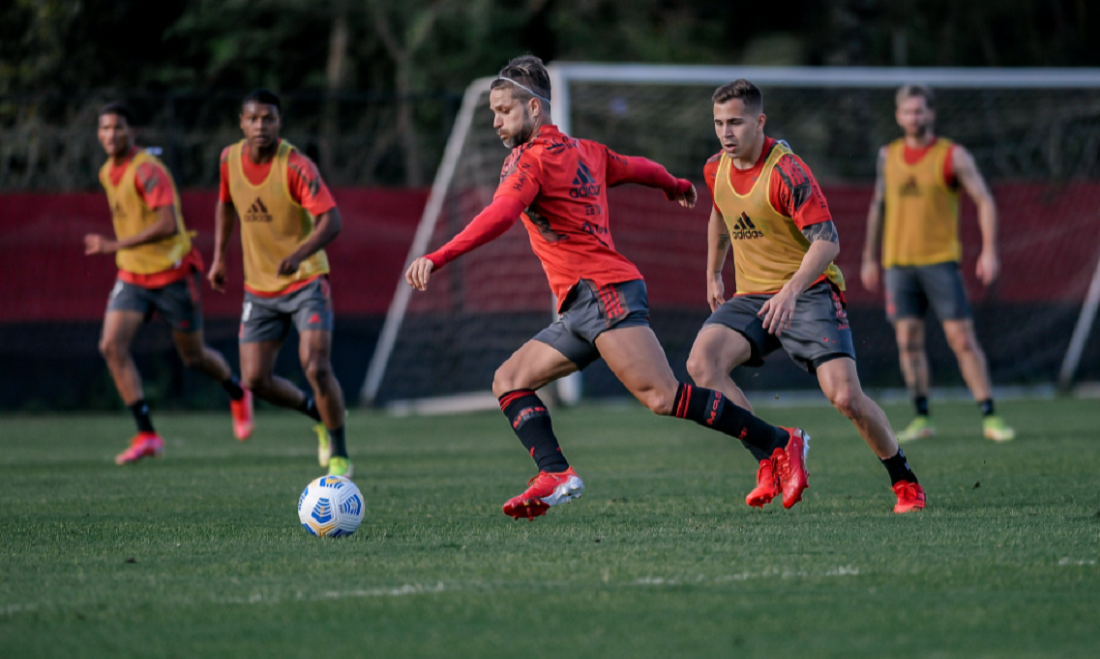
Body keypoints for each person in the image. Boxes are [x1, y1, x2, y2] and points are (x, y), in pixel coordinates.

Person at [405, 56, 811, 521]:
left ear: (535, 110)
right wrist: (672, 183)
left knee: (663, 397)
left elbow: (499, 215)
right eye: (494, 113)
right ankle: (555, 472)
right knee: (509, 381)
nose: (497, 123)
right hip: (582, 304)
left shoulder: (528, 160)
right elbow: (634, 166)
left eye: (505, 111)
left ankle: (780, 441)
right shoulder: (587, 151)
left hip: (606, 293)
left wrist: (438, 256)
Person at [685, 80, 926, 514]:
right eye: (719, 123)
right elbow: (719, 214)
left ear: (759, 122)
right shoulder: (714, 168)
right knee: (703, 364)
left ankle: (904, 481)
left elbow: (828, 242)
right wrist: (712, 273)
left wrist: (792, 291)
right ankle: (773, 454)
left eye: (736, 122)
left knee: (846, 398)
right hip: (753, 295)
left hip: (809, 291)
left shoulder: (786, 171)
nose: (726, 132)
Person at [89, 103, 253, 465]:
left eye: (118, 127)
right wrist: (121, 252)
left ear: (132, 132)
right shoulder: (106, 172)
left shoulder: (147, 170)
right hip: (131, 275)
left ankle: (236, 391)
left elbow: (167, 224)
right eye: (104, 128)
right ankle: (147, 433)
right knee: (111, 346)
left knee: (193, 357)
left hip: (171, 274)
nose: (110, 135)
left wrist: (113, 245)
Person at [208, 90, 352, 477]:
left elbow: (332, 220)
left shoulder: (296, 165)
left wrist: (299, 254)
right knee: (254, 379)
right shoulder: (229, 160)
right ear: (242, 123)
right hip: (259, 289)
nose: (260, 126)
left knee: (316, 365)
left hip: (305, 281)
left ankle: (339, 450)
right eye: (253, 119)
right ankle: (316, 415)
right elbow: (225, 203)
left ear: (279, 122)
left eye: (268, 119)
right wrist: (220, 256)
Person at [861, 85, 1014, 443]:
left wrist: (989, 250)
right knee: (907, 340)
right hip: (898, 265)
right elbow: (877, 207)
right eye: (907, 112)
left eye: (920, 111)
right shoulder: (888, 156)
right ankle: (922, 416)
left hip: (940, 262)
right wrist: (870, 257)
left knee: (961, 338)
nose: (914, 117)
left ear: (931, 114)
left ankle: (990, 414)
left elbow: (984, 200)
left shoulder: (952, 156)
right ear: (898, 116)